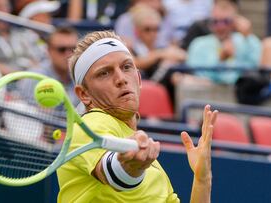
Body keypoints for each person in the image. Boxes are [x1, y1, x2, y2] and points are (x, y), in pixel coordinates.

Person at [57, 30, 218, 202]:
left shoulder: (156, 170)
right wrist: (129, 166)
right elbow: (114, 172)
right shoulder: (88, 126)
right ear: (84, 94)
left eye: (126, 67)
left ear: (139, 79)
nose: (121, 78)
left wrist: (203, 181)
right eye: (104, 73)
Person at [18, 26, 79, 107]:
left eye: (73, 49)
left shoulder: (81, 75)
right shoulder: (34, 77)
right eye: (61, 49)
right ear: (48, 51)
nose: (69, 54)